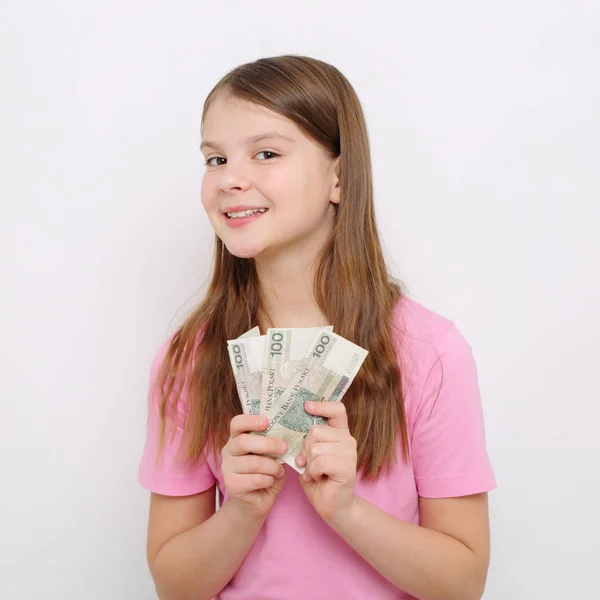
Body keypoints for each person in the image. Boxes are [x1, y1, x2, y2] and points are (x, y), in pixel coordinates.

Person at [138, 54, 496, 600]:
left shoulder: (430, 352)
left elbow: (463, 583)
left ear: (338, 176)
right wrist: (242, 511)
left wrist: (346, 511)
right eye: (215, 159)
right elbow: (174, 585)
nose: (232, 178)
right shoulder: (190, 357)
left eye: (266, 153)